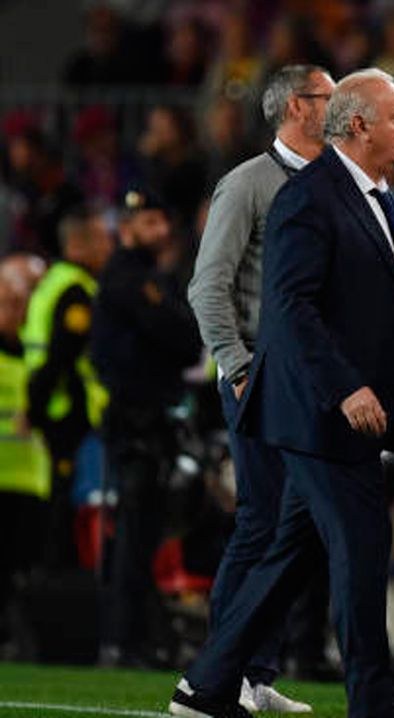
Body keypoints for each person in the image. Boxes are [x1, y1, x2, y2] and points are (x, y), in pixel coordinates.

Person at [167, 68, 394, 718]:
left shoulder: (379, 197)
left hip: (343, 412)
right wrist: (346, 388)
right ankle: (374, 698)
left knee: (293, 552)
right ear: (359, 125)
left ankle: (206, 686)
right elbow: (291, 308)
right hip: (321, 411)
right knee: (361, 543)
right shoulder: (309, 197)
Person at [188, 64, 335, 714]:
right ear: (297, 108)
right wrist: (239, 366)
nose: (339, 106)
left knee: (290, 529)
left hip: (313, 383)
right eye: (330, 97)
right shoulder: (246, 184)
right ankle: (227, 673)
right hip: (259, 379)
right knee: (260, 522)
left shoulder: (332, 184)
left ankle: (256, 668)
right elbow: (207, 286)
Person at [91, 188, 203, 668]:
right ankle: (122, 641)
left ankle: (134, 639)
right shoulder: (128, 278)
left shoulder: (150, 277)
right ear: (130, 227)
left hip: (150, 421)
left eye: (162, 222)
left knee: (145, 537)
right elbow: (181, 336)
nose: (159, 231)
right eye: (149, 222)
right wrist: (176, 330)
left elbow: (183, 337)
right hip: (135, 422)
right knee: (135, 539)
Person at [20, 208, 112, 569]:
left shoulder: (55, 281)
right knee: (63, 503)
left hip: (51, 407)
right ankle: (57, 581)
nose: (109, 247)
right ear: (78, 245)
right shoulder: (75, 290)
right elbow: (61, 356)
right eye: (102, 239)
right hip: (63, 411)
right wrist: (35, 408)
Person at [0, 265, 51, 653]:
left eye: (20, 303)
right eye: (8, 303)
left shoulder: (34, 352)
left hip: (30, 478)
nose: (16, 310)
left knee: (20, 571)